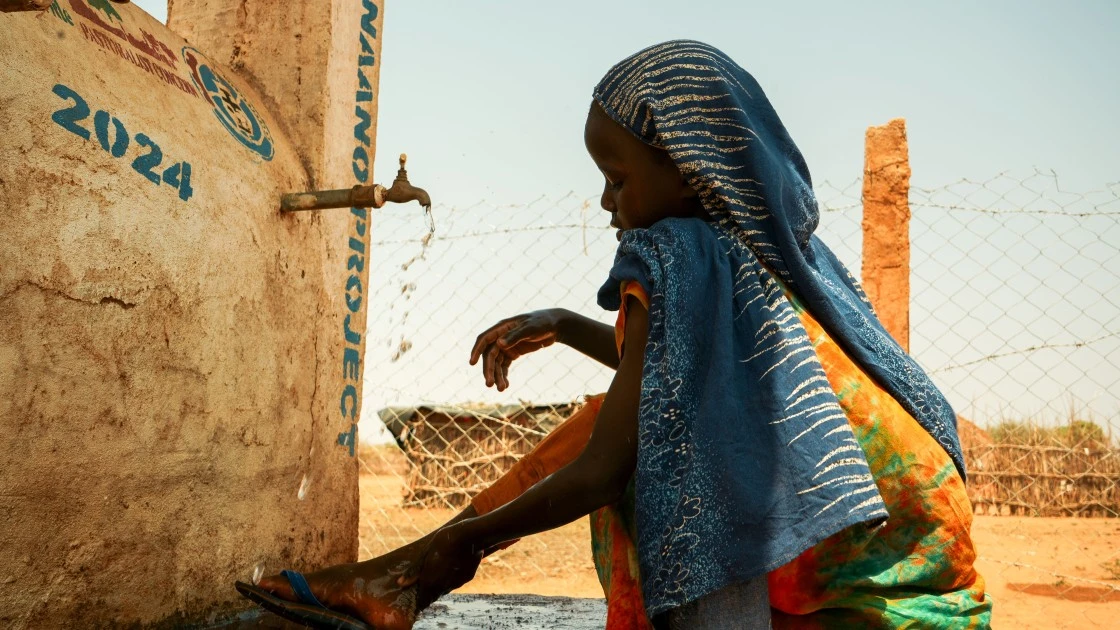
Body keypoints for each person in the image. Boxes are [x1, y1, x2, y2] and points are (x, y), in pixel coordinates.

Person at [236, 40, 992, 629]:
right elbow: (690, 368)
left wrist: (458, 549)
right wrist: (567, 325)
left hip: (853, 610)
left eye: (618, 177)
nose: (606, 201)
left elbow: (606, 466)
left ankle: (408, 575)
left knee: (632, 443)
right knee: (630, 416)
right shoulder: (776, 255)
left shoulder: (675, 253)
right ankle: (401, 576)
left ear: (691, 170)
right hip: (933, 597)